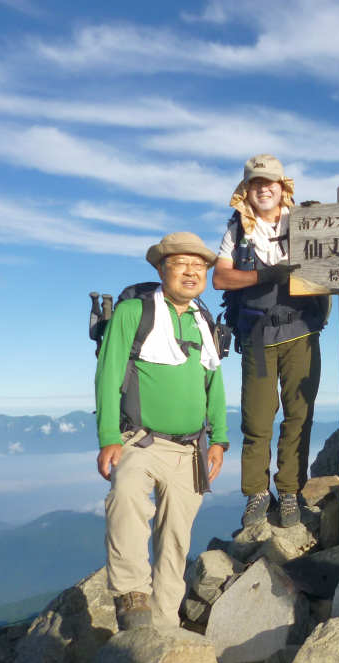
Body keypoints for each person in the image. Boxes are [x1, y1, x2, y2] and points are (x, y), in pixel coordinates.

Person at [95, 232, 228, 629]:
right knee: (126, 494)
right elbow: (108, 374)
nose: (191, 271)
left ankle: (166, 623)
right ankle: (132, 595)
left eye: (199, 265)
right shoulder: (134, 313)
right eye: (180, 264)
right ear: (160, 269)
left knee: (175, 541)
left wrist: (219, 439)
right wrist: (108, 438)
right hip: (140, 440)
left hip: (190, 450)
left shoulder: (203, 321)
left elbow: (214, 384)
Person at [213, 154, 325, 530]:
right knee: (257, 419)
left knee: (299, 414)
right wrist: (265, 275)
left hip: (302, 330)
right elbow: (221, 279)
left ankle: (290, 490)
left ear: (282, 187)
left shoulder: (303, 222)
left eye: (270, 183)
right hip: (258, 335)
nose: (263, 189)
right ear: (247, 190)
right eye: (256, 184)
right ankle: (257, 492)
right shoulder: (237, 231)